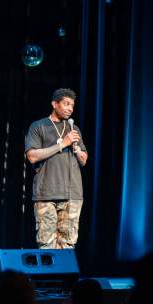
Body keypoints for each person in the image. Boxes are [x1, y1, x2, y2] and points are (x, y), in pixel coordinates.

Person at [25, 88, 88, 249]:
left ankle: (64, 275)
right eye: (66, 104)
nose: (70, 109)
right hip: (46, 192)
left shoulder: (74, 129)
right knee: (46, 243)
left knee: (67, 244)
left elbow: (84, 160)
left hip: (72, 194)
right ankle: (48, 275)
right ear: (54, 104)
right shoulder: (39, 126)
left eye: (72, 105)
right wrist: (62, 144)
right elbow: (32, 156)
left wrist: (78, 151)